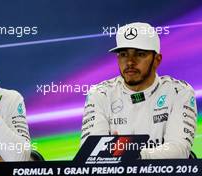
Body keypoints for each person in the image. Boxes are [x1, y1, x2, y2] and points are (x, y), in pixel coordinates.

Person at [81, 22, 197, 159]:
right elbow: (91, 152)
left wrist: (126, 154)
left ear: (157, 60)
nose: (130, 62)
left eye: (140, 54)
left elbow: (179, 150)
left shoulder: (179, 92)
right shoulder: (100, 94)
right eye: (123, 54)